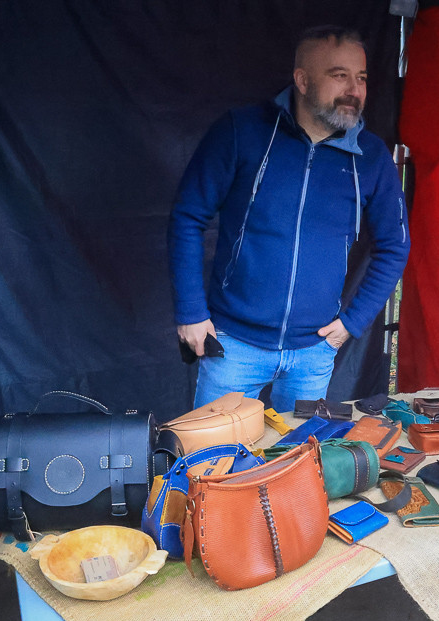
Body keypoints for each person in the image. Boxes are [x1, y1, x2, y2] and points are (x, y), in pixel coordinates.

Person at [168, 26, 409, 412]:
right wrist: (191, 312)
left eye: (361, 77)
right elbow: (187, 216)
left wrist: (351, 322)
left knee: (296, 465)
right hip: (234, 345)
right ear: (302, 80)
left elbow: (395, 246)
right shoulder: (242, 131)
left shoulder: (372, 156)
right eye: (339, 75)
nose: (355, 89)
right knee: (212, 463)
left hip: (313, 352)